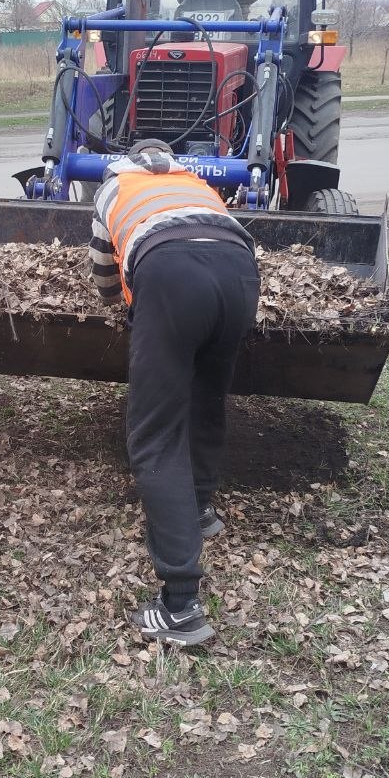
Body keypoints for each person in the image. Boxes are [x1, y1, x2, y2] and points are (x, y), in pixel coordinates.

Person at [89, 140, 260, 646]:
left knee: (155, 438)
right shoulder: (198, 184)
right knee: (208, 399)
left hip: (168, 274)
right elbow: (215, 237)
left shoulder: (113, 188)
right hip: (239, 273)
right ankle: (201, 509)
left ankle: (180, 606)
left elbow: (103, 273)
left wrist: (131, 310)